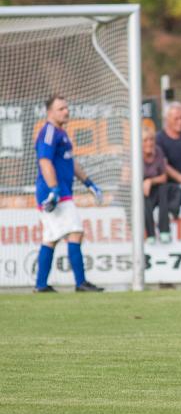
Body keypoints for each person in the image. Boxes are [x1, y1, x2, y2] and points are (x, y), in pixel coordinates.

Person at [33, 95, 104, 293]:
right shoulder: (48, 132)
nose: (66, 111)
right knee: (76, 231)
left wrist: (89, 183)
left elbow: (71, 162)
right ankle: (80, 282)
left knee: (51, 238)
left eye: (66, 107)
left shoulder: (61, 133)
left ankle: (41, 285)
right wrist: (54, 190)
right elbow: (44, 161)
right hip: (55, 193)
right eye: (61, 108)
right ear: (50, 112)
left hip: (60, 191)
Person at [142, 127, 181, 243]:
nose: (149, 143)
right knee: (144, 199)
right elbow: (127, 179)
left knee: (165, 189)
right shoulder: (134, 155)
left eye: (151, 140)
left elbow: (164, 177)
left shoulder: (158, 151)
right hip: (142, 194)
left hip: (156, 191)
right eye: (145, 140)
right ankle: (149, 234)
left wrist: (150, 181)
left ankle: (165, 229)